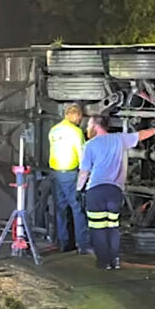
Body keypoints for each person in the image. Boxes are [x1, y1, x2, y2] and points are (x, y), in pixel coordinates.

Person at [76, 116, 155, 270]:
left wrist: (78, 189)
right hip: (115, 190)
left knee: (98, 227)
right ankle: (115, 260)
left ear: (95, 126)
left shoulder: (90, 145)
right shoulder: (120, 139)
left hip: (96, 190)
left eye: (89, 124)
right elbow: (141, 135)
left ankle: (103, 262)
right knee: (113, 226)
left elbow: (84, 171)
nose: (87, 127)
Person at [47, 104, 90, 253]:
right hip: (70, 174)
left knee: (60, 208)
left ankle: (63, 243)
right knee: (77, 209)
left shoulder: (54, 130)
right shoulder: (76, 132)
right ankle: (82, 244)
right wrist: (86, 174)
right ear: (77, 115)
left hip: (55, 172)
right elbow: (83, 156)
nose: (81, 119)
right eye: (81, 116)